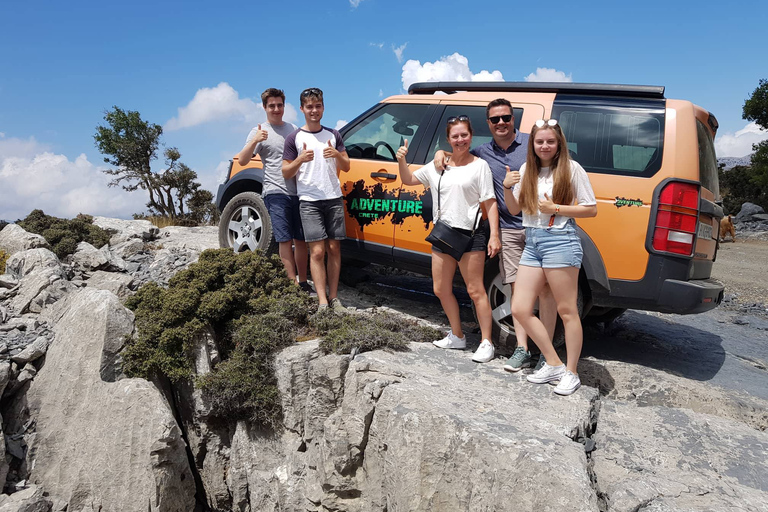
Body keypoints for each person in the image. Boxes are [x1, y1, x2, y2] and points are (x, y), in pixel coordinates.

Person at [434, 99, 557, 372]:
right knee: (516, 289)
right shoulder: (482, 152)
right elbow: (459, 153)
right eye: (495, 119)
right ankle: (522, 350)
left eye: (505, 118)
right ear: (488, 124)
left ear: (514, 118)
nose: (501, 123)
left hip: (540, 225)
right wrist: (440, 153)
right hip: (510, 229)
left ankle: (546, 355)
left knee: (547, 292)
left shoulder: (532, 143)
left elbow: (555, 157)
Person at [504, 119, 597, 395]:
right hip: (532, 241)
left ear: (559, 145)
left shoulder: (571, 168)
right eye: (539, 141)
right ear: (532, 145)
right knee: (520, 308)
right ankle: (554, 363)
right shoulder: (526, 170)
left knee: (567, 310)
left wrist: (556, 207)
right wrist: (507, 187)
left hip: (561, 240)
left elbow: (590, 209)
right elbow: (514, 209)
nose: (544, 146)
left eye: (550, 141)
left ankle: (571, 372)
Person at [397, 116, 501, 363]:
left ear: (471, 136)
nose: (460, 140)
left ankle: (487, 342)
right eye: (455, 136)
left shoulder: (480, 166)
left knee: (475, 290)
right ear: (448, 139)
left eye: (464, 135)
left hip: (471, 235)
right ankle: (457, 335)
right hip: (444, 233)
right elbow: (408, 180)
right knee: (440, 288)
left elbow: (490, 202)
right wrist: (401, 160)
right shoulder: (437, 165)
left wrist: (494, 235)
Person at [236, 88, 311, 293]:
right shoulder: (259, 131)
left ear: (284, 106)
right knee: (284, 239)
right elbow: (242, 160)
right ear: (264, 107)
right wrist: (255, 140)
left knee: (301, 239)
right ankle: (291, 284)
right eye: (272, 106)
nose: (276, 109)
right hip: (275, 191)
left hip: (298, 192)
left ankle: (303, 282)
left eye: (279, 105)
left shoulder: (293, 129)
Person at [282, 88, 350, 312]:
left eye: (318, 106)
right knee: (318, 251)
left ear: (323, 107)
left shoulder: (334, 135)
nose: (314, 110)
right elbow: (286, 172)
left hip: (333, 198)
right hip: (309, 201)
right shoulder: (294, 138)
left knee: (334, 249)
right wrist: (300, 159)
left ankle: (334, 297)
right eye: (309, 107)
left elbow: (347, 165)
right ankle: (322, 301)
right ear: (302, 109)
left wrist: (337, 155)